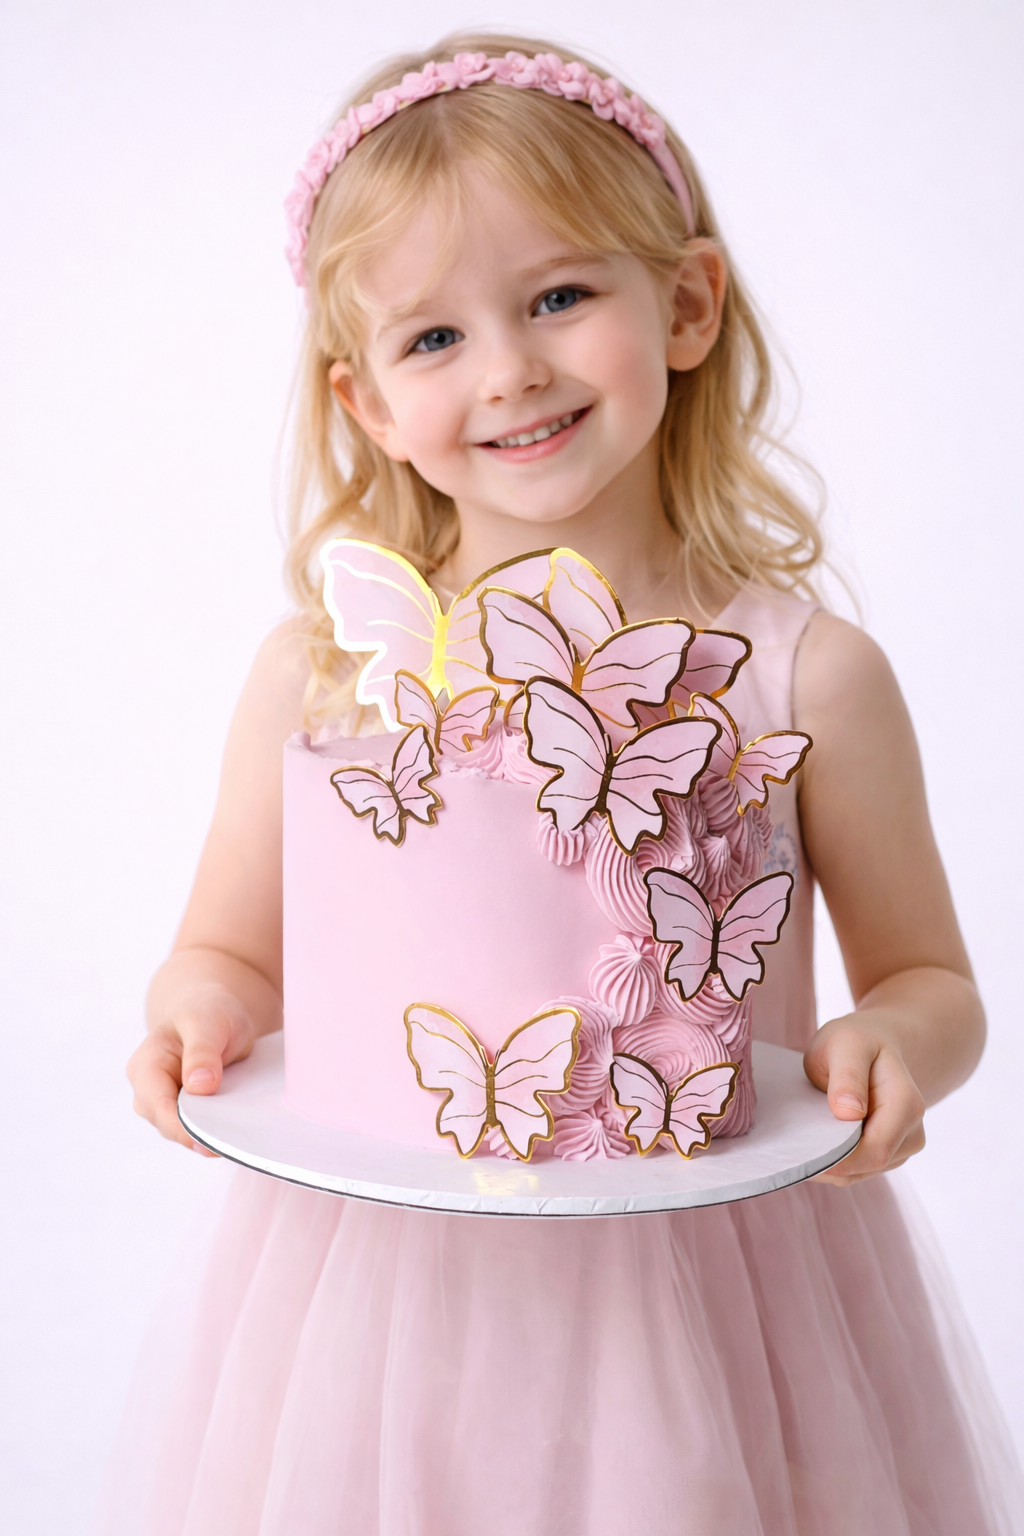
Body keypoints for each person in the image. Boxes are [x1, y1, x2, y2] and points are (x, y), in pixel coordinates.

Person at [101, 32, 1022, 1536]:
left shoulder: (803, 674)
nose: (513, 366)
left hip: (725, 1279)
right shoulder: (322, 676)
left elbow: (934, 977)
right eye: (434, 338)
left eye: (557, 296)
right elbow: (226, 951)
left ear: (687, 303)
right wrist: (197, 1010)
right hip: (384, 1291)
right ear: (366, 404)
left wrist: (893, 1042)